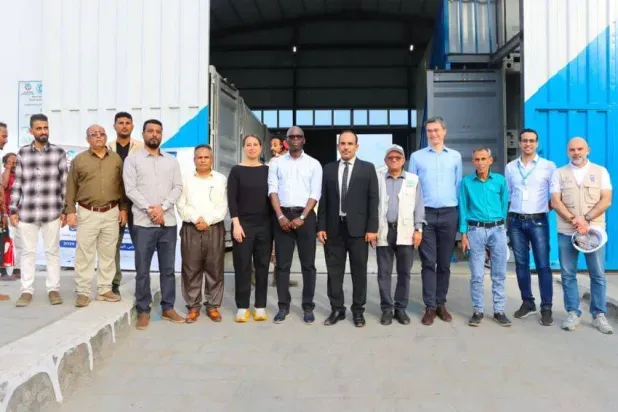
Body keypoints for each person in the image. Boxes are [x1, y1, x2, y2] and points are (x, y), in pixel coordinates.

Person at [123, 119, 184, 330]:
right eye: (150, 131)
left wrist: (163, 207)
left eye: (158, 131)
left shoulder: (171, 161)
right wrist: (151, 210)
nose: (154, 134)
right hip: (143, 223)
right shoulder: (132, 160)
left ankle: (168, 308)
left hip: (168, 223)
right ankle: (143, 310)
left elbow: (178, 187)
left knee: (168, 269)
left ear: (162, 135)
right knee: (142, 270)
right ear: (143, 134)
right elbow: (130, 189)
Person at [550, 137, 613, 334]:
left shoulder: (600, 172)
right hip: (567, 231)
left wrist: (585, 219)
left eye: (580, 149)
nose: (576, 153)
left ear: (588, 150)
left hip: (593, 232)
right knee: (568, 274)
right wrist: (574, 220)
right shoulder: (559, 173)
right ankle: (573, 312)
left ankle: (599, 314)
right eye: (572, 150)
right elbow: (556, 202)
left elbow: (606, 200)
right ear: (567, 152)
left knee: (598, 274)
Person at [317, 130, 379, 327]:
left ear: (356, 146)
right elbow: (323, 200)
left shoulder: (367, 168)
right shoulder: (328, 169)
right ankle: (337, 309)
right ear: (338, 146)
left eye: (350, 144)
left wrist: (372, 228)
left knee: (359, 272)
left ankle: (358, 310)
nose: (346, 147)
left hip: (359, 231)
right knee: (334, 272)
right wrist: (321, 226)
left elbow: (373, 199)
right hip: (333, 229)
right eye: (342, 143)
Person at [65, 125, 128, 307]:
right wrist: (70, 211)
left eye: (101, 134)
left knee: (108, 254)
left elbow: (122, 186)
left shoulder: (116, 159)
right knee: (85, 254)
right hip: (87, 212)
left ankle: (104, 289)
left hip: (111, 212)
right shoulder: (79, 160)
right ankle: (83, 292)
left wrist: (123, 208)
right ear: (88, 139)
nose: (98, 137)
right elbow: (71, 187)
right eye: (94, 134)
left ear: (106, 137)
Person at [408, 116, 462, 325]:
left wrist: (460, 219)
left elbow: (458, 186)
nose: (433, 134)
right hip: (426, 214)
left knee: (444, 263)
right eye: (429, 131)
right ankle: (430, 306)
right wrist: (415, 221)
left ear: (444, 131)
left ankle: (441, 304)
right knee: (428, 262)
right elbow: (412, 188)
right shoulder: (417, 157)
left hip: (449, 213)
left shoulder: (455, 157)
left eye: (436, 130)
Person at [10, 114, 67, 307]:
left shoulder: (58, 153)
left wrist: (66, 209)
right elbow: (17, 183)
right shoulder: (23, 153)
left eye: (45, 127)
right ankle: (26, 291)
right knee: (28, 252)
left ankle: (53, 289)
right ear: (31, 131)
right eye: (39, 128)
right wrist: (13, 209)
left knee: (52, 252)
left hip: (52, 211)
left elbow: (64, 184)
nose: (43, 131)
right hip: (27, 212)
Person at [267, 126, 322, 324]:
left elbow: (315, 193)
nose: (295, 139)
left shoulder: (314, 164)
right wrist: (280, 216)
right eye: (292, 136)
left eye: (299, 136)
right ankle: (283, 307)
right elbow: (272, 190)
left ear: (304, 140)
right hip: (282, 216)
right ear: (287, 141)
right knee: (283, 265)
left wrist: (303, 216)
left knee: (308, 265)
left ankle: (308, 307)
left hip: (305, 217)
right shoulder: (276, 163)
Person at [504, 129, 556, 326]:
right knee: (521, 264)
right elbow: (508, 194)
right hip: (516, 221)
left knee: (543, 265)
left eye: (532, 141)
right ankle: (527, 302)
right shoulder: (510, 167)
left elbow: (555, 194)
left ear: (537, 143)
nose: (528, 144)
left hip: (538, 221)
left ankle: (546, 307)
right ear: (519, 143)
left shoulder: (548, 166)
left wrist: (543, 209)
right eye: (525, 140)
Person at [459, 148, 510, 327]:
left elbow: (504, 205)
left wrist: (501, 225)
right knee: (477, 274)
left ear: (490, 160)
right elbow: (463, 208)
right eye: (477, 159)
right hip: (476, 230)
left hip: (497, 229)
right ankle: (478, 310)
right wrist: (463, 234)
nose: (480, 162)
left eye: (483, 159)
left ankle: (499, 310)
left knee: (499, 273)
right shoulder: (466, 183)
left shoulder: (500, 181)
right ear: (473, 161)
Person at [177, 144, 227, 323]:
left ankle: (212, 306)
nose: (203, 160)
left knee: (215, 268)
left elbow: (222, 205)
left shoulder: (220, 179)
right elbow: (180, 204)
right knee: (191, 268)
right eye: (200, 157)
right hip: (191, 228)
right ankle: (193, 306)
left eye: (206, 157)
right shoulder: (185, 179)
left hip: (214, 228)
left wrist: (208, 220)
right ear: (194, 160)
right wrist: (195, 219)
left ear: (211, 159)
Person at [375, 145, 425, 326]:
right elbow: (372, 205)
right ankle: (387, 309)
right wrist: (371, 230)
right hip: (384, 230)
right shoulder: (378, 179)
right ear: (385, 160)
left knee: (404, 272)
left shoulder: (413, 179)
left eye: (398, 157)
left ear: (404, 160)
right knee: (384, 273)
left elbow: (419, 206)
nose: (394, 160)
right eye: (391, 157)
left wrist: (419, 229)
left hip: (406, 232)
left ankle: (400, 308)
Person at [228, 135, 272, 322]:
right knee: (242, 266)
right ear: (244, 148)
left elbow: (273, 199)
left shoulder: (268, 171)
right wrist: (236, 224)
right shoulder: (236, 171)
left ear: (261, 148)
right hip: (243, 226)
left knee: (262, 266)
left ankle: (260, 306)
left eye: (255, 145)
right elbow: (232, 199)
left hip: (265, 225)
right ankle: (243, 306)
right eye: (248, 145)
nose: (252, 148)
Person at [107, 112, 144, 295]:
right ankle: (114, 283)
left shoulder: (141, 147)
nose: (124, 126)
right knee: (113, 244)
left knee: (141, 245)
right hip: (114, 202)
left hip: (137, 203)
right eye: (120, 123)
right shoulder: (107, 147)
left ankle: (142, 282)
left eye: (127, 123)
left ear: (132, 126)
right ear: (114, 126)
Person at [264, 136, 296, 287]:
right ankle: (259, 275)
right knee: (272, 246)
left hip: (286, 208)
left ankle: (279, 278)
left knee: (282, 246)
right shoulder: (273, 162)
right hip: (275, 209)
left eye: (275, 145)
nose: (272, 148)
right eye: (271, 145)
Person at [1, 152, 18, 281]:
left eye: (15, 162)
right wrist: (8, 168)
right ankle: (6, 272)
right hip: (7, 213)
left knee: (21, 243)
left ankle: (18, 270)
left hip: (20, 213)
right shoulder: (3, 175)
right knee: (8, 242)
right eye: (10, 162)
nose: (13, 164)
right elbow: (5, 185)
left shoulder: (21, 175)